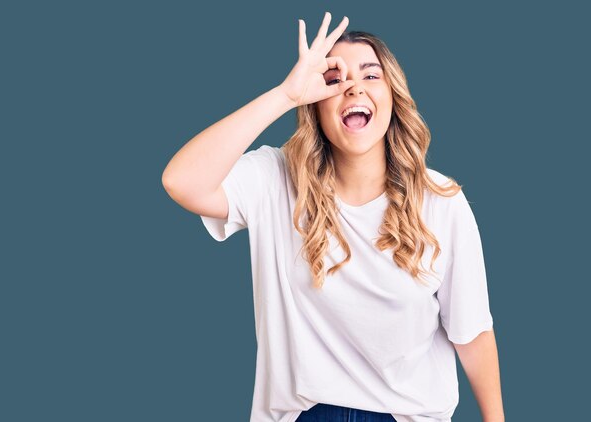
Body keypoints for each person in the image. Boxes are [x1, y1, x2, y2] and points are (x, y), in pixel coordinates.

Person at [162, 11, 505, 422]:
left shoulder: (441, 202)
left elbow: (472, 332)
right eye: (335, 79)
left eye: (370, 75)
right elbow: (182, 181)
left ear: (393, 99)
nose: (354, 87)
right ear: (316, 106)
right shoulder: (275, 179)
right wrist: (286, 95)